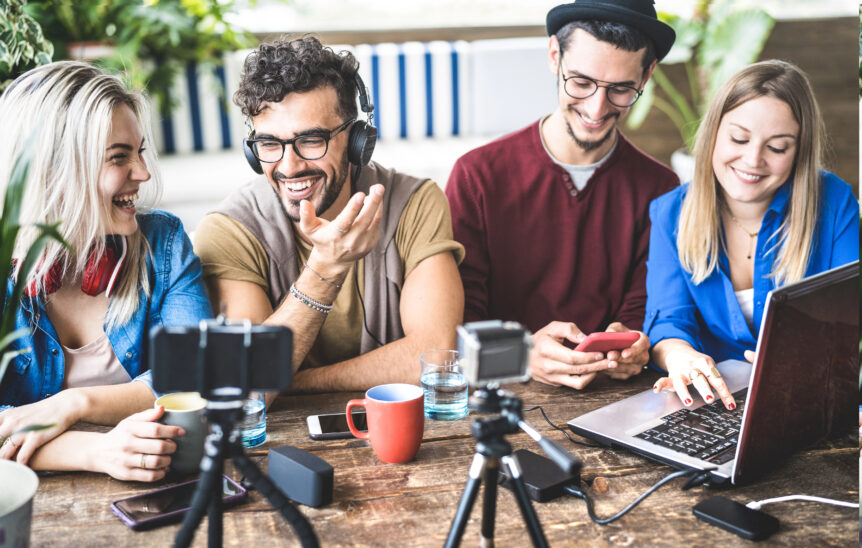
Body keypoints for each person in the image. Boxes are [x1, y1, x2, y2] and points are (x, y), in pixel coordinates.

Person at [192, 37, 464, 392]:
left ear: (357, 141)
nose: (289, 167)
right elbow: (248, 386)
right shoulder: (228, 231)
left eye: (311, 140)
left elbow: (435, 356)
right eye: (270, 144)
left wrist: (295, 382)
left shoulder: (415, 203)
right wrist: (325, 268)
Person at [445, 0, 679, 390]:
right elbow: (456, 324)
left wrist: (636, 346)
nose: (596, 108)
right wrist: (522, 354)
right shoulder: (477, 176)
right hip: (500, 395)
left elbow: (648, 311)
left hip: (616, 399)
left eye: (621, 89)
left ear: (647, 75)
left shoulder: (662, 189)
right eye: (582, 83)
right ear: (555, 55)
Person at [0, 61, 212, 480]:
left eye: (140, 151)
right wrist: (94, 451)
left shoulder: (164, 243)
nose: (144, 173)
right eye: (119, 158)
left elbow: (198, 372)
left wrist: (74, 403)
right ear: (55, 172)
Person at [646, 60, 859, 409]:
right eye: (739, 138)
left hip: (812, 400)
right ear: (713, 131)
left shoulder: (833, 203)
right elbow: (668, 319)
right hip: (712, 402)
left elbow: (850, 325)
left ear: (799, 151)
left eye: (777, 147)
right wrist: (680, 355)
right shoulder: (670, 212)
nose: (752, 159)